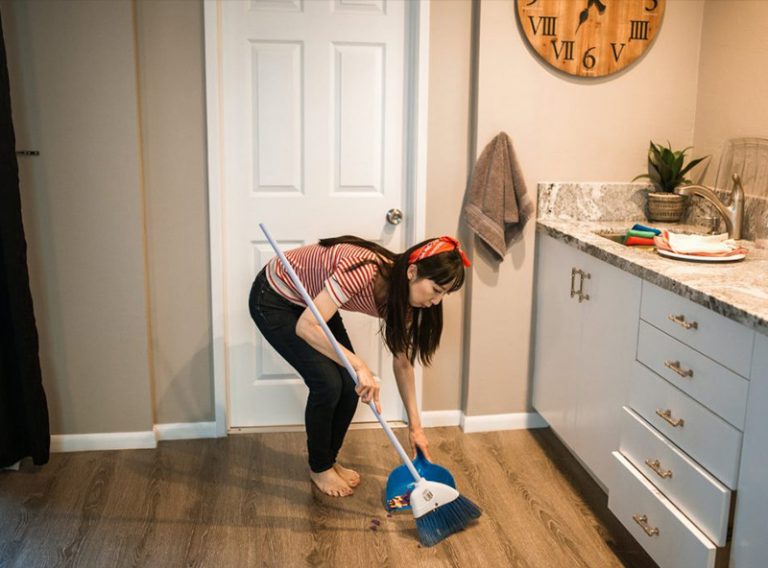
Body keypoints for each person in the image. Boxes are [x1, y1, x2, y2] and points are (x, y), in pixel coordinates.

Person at [248, 235, 470, 497]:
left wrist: (416, 428)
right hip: (276, 297)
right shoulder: (364, 270)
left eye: (444, 294)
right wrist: (360, 364)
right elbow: (306, 327)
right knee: (327, 384)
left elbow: (403, 364)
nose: (436, 302)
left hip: (314, 303)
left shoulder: (406, 304)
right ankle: (319, 467)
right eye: (436, 290)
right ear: (413, 272)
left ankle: (328, 460)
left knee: (351, 385)